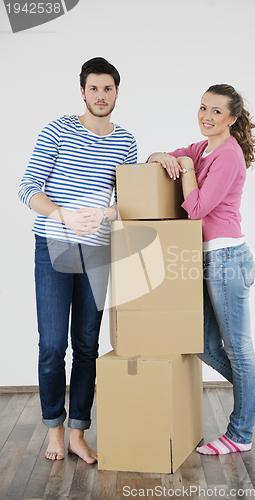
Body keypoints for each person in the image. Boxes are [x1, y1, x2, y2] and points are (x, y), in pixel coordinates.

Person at [148, 84, 255, 455]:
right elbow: (172, 154)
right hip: (207, 259)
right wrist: (159, 155)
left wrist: (183, 169)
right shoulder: (203, 148)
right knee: (200, 342)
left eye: (216, 112)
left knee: (239, 350)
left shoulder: (227, 155)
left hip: (228, 259)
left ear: (231, 119)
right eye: (202, 108)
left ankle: (240, 435)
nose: (206, 116)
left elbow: (196, 208)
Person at [18, 57, 137, 463]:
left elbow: (130, 202)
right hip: (55, 244)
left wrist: (104, 214)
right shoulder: (58, 130)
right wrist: (63, 214)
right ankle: (53, 428)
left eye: (108, 89)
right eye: (94, 89)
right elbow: (27, 188)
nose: (101, 96)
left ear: (117, 92)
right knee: (52, 345)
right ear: (82, 91)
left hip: (98, 249)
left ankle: (77, 433)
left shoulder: (126, 142)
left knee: (86, 346)